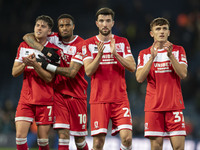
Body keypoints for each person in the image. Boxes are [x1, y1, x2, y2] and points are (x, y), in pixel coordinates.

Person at [23, 14, 89, 150]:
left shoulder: (81, 45)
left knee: (79, 140)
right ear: (58, 28)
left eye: (67, 25)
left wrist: (47, 66)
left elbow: (72, 72)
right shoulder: (54, 37)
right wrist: (43, 49)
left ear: (73, 26)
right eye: (61, 26)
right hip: (58, 95)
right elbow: (27, 37)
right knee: (63, 134)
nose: (64, 28)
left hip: (77, 96)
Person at [82, 7, 136, 150]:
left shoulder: (122, 42)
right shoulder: (88, 44)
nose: (104, 24)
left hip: (120, 99)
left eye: (107, 21)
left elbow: (132, 66)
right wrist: (99, 55)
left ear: (113, 23)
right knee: (98, 143)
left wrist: (116, 54)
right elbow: (88, 71)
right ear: (97, 23)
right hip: (99, 99)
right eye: (101, 21)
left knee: (127, 139)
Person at [136, 17, 188, 150]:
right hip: (153, 107)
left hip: (174, 106)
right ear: (152, 33)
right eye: (158, 29)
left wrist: (171, 56)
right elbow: (139, 78)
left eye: (164, 28)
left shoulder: (178, 50)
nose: (162, 32)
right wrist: (152, 58)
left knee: (178, 148)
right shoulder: (144, 54)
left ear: (169, 32)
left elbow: (183, 74)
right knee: (156, 147)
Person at [12, 15, 57, 150]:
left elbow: (49, 78)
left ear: (49, 31)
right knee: (20, 137)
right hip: (26, 99)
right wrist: (25, 64)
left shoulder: (53, 51)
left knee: (43, 140)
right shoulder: (23, 46)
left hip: (45, 100)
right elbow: (14, 72)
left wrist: (36, 65)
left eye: (43, 26)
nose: (39, 28)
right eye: (37, 25)